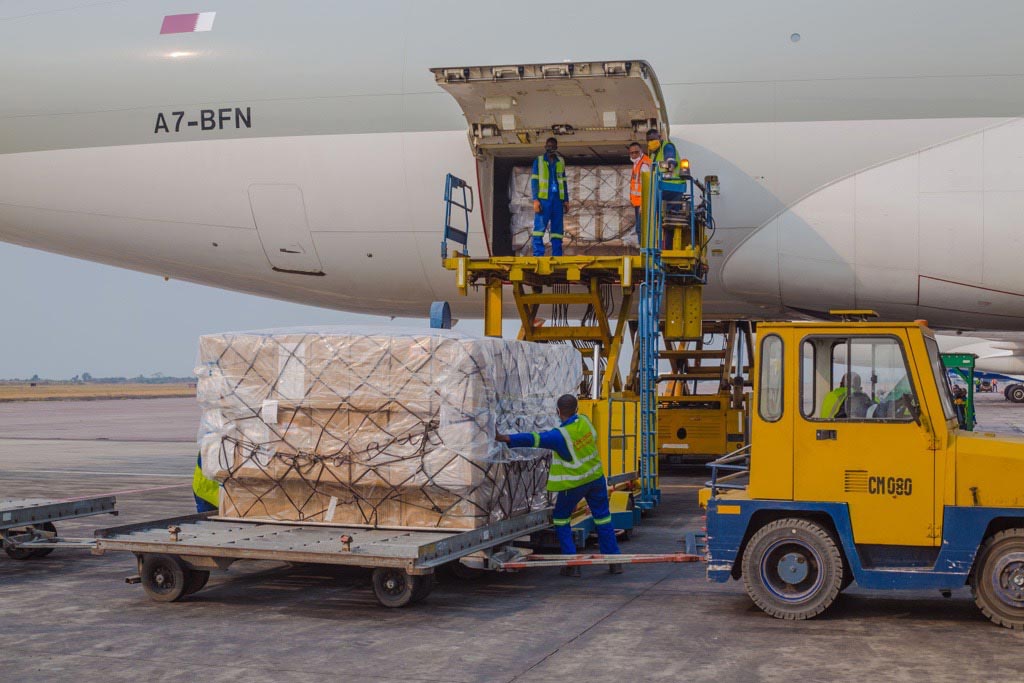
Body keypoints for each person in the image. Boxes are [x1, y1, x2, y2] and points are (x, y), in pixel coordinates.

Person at [495, 394, 622, 576]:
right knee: (603, 518)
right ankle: (614, 561)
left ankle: (571, 563)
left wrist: (503, 438)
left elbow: (533, 439)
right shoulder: (585, 422)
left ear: (557, 411)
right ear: (577, 410)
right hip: (595, 478)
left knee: (562, 519)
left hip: (575, 483)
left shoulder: (559, 436)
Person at [530, 137, 569, 256]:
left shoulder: (560, 161)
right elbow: (534, 181)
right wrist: (535, 200)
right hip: (544, 199)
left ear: (556, 148)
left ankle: (557, 255)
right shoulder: (539, 160)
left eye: (553, 146)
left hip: (557, 199)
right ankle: (538, 255)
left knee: (557, 229)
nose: (550, 148)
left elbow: (563, 181)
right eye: (548, 145)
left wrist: (566, 200)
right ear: (545, 147)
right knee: (539, 227)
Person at [628, 142, 652, 244]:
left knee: (640, 228)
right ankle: (642, 248)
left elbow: (647, 186)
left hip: (643, 203)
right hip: (638, 203)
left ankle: (643, 250)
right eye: (632, 153)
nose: (634, 155)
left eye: (636, 152)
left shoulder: (643, 165)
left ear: (641, 151)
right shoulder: (637, 164)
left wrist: (643, 204)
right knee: (640, 228)